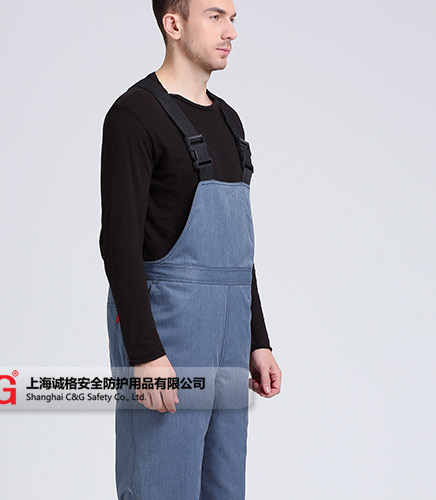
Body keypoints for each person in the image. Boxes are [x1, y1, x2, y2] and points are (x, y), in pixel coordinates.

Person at [99, 1, 282, 498]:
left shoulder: (229, 122)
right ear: (174, 24)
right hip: (169, 333)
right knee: (160, 482)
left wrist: (257, 340)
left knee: (224, 484)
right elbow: (118, 244)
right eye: (216, 16)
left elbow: (237, 251)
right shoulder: (134, 115)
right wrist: (145, 353)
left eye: (233, 19)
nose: (231, 32)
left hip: (230, 332)